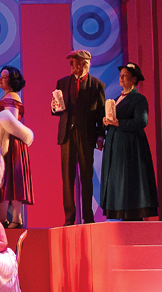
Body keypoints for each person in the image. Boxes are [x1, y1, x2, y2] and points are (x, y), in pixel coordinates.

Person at [51, 49, 106, 224]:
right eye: (72, 62)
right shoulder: (62, 83)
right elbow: (56, 110)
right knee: (67, 177)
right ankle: (69, 216)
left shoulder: (96, 85)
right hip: (67, 134)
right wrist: (54, 107)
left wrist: (100, 136)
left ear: (84, 64)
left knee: (86, 176)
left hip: (86, 134)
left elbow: (101, 113)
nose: (72, 66)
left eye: (74, 62)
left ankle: (88, 215)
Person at [100, 62, 158, 221]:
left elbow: (141, 121)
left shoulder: (138, 99)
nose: (121, 78)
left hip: (130, 148)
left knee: (128, 180)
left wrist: (119, 123)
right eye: (121, 75)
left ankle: (131, 214)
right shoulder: (117, 99)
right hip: (116, 147)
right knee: (118, 180)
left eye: (125, 76)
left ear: (134, 79)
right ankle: (120, 211)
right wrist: (107, 122)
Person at [0, 65, 34, 227]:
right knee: (5, 180)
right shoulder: (8, 96)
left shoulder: (12, 97)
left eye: (5, 77)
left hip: (11, 144)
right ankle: (4, 218)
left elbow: (10, 122)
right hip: (5, 141)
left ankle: (16, 218)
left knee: (12, 179)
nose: (1, 79)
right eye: (1, 76)